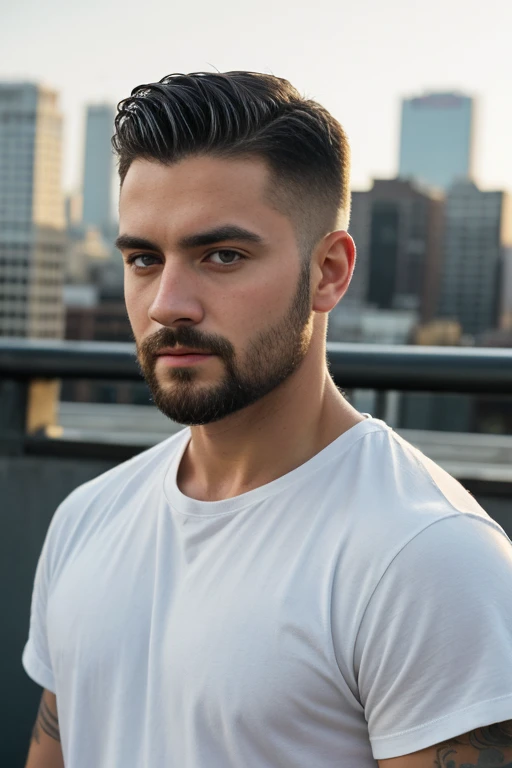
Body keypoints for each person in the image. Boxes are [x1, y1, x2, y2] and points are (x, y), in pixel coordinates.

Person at [23, 71, 512, 768]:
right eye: (143, 258)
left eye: (222, 256)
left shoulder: (428, 559)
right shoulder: (85, 518)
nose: (167, 304)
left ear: (330, 273)